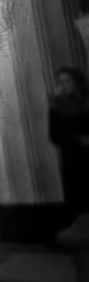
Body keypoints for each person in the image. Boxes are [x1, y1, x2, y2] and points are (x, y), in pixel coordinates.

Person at [50, 67, 89, 215]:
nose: (64, 84)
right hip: (74, 157)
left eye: (67, 80)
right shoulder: (58, 106)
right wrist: (78, 140)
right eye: (60, 81)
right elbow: (55, 134)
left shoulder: (85, 101)